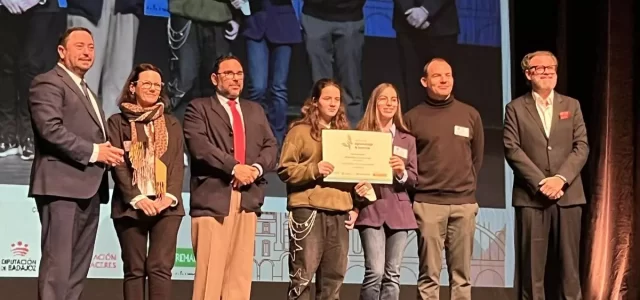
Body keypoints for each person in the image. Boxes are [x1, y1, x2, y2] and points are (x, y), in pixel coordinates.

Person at [28, 27, 125, 300]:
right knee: (57, 268)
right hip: (62, 187)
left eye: (91, 47)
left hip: (89, 188)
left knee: (76, 270)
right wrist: (96, 152)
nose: (87, 52)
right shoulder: (48, 82)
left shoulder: (87, 91)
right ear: (62, 51)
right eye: (80, 46)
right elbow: (50, 129)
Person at [183, 55, 278, 300]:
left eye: (240, 74)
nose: (236, 78)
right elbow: (199, 146)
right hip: (214, 199)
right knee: (210, 277)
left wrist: (254, 169)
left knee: (239, 276)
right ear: (215, 79)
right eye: (229, 74)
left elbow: (270, 146)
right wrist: (235, 168)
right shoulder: (199, 108)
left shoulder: (254, 109)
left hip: (247, 199)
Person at [504, 51, 589, 299]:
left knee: (570, 270)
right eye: (540, 68)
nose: (547, 71)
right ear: (528, 74)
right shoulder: (515, 108)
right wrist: (542, 182)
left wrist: (560, 179)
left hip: (569, 195)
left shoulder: (571, 105)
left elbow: (581, 146)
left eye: (551, 67)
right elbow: (512, 148)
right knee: (532, 273)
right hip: (532, 198)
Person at [403, 58, 484, 300]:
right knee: (429, 275)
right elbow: (407, 164)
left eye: (448, 75)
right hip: (428, 204)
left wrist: (465, 189)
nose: (444, 79)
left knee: (462, 276)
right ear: (424, 81)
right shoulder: (412, 118)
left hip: (464, 204)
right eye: (437, 76)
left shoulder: (470, 114)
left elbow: (476, 159)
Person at [107, 63, 185, 300]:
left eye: (157, 85)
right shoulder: (117, 122)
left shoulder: (172, 123)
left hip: (166, 207)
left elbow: (176, 165)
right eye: (147, 83)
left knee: (160, 268)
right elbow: (118, 164)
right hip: (131, 207)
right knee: (135, 270)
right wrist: (137, 198)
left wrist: (168, 197)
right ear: (133, 87)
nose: (153, 88)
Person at [277, 78, 358, 300]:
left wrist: (359, 191)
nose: (333, 104)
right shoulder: (299, 132)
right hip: (309, 210)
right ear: (315, 102)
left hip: (339, 210)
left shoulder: (347, 136)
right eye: (327, 98)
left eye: (337, 99)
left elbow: (352, 174)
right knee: (302, 277)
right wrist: (315, 169)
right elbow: (285, 169)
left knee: (334, 279)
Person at [354, 83, 418, 300]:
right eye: (384, 98)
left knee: (393, 274)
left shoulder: (406, 139)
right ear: (374, 103)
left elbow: (414, 178)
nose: (389, 103)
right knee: (375, 272)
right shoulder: (361, 135)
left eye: (394, 99)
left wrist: (401, 172)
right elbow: (352, 172)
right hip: (371, 210)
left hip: (399, 213)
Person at [0, 0, 67, 160]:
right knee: (5, 67)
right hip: (4, 7)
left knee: (32, 67)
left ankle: (30, 134)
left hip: (40, 7)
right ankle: (6, 134)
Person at [66, 0, 142, 117]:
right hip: (86, 7)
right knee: (82, 77)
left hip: (127, 5)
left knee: (120, 80)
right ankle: (79, 130)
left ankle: (111, 131)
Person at [243, 0, 302, 146]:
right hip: (255, 23)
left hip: (283, 24)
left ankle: (277, 141)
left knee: (278, 88)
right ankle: (254, 138)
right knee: (257, 87)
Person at [300, 0, 366, 127]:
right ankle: (318, 132)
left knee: (351, 84)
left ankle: (352, 137)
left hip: (351, 16)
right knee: (319, 85)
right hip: (315, 15)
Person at [392, 0, 459, 111]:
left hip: (442, 25)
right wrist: (408, 10)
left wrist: (426, 10)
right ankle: (413, 125)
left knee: (442, 82)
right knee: (411, 85)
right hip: (407, 25)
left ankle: (442, 125)